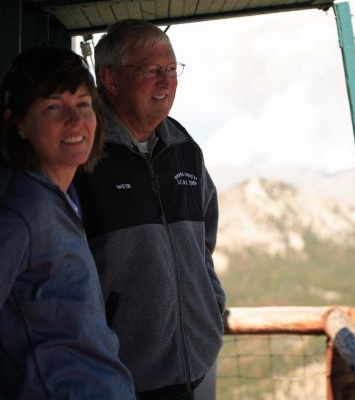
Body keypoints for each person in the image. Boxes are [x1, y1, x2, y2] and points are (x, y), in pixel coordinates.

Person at [0, 46, 135, 399]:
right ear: (17, 123)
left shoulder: (59, 195)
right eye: (53, 107)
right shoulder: (20, 214)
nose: (75, 119)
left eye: (83, 104)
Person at [75, 19, 226, 399]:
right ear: (110, 80)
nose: (166, 81)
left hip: (192, 364)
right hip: (114, 373)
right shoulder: (83, 154)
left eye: (172, 69)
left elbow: (202, 245)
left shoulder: (183, 147)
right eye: (151, 71)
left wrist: (212, 305)